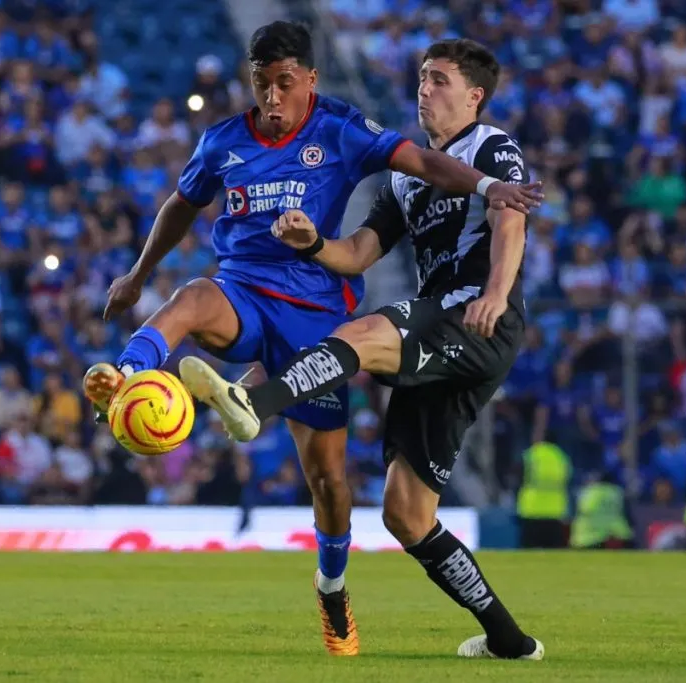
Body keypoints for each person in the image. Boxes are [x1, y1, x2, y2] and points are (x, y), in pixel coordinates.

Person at [81, 23, 543, 657]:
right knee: (406, 515)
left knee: (333, 462)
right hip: (254, 293)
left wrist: (495, 281)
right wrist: (312, 244)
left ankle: (266, 429)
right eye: (422, 79)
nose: (424, 91)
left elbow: (500, 211)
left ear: (475, 98)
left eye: (439, 81)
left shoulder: (476, 145)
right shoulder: (237, 145)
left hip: (448, 319)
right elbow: (354, 251)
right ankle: (509, 640)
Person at [515, 441, 571, 549]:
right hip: (555, 510)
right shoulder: (561, 456)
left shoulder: (532, 454)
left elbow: (519, 475)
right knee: (554, 554)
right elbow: (568, 479)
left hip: (531, 509)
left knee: (528, 551)